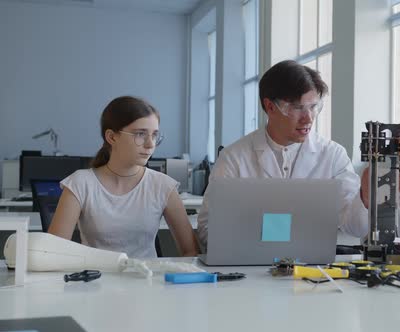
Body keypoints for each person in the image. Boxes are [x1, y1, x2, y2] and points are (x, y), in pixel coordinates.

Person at [197, 60, 379, 251]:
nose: (308, 118)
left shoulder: (333, 155)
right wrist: (252, 238)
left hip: (313, 268)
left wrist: (364, 199)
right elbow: (207, 229)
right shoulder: (234, 158)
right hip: (250, 266)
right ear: (270, 107)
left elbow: (356, 229)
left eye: (313, 106)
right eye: (297, 108)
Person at [49, 96, 199, 258]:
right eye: (140, 134)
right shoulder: (80, 183)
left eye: (154, 135)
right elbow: (52, 252)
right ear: (112, 137)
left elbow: (191, 251)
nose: (150, 144)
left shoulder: (163, 185)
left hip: (148, 281)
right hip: (95, 280)